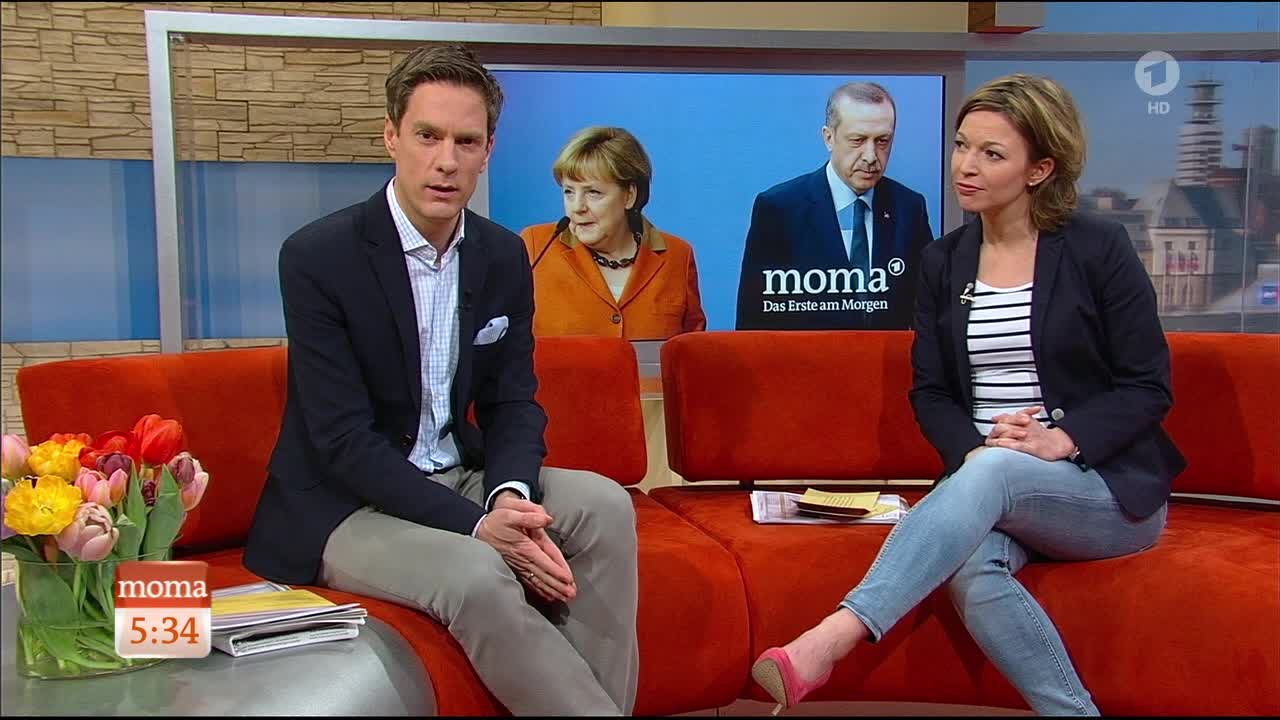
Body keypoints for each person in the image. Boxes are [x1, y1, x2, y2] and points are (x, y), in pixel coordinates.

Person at [750, 73, 1186, 716]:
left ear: (1039, 169)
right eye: (961, 146)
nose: (965, 166)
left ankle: (833, 637)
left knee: (995, 473)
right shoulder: (944, 260)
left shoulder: (1098, 249)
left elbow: (1148, 386)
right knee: (975, 567)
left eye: (991, 153)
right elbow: (931, 393)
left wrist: (1061, 440)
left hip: (1103, 489)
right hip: (986, 482)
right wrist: (977, 451)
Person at [243, 44, 639, 717]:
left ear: (487, 152)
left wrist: (508, 495)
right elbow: (340, 439)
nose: (447, 161)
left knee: (605, 506)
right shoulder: (318, 257)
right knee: (476, 570)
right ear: (391, 136)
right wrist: (481, 526)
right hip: (347, 505)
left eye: (466, 141)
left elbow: (512, 401)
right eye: (428, 136)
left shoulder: (501, 254)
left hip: (460, 473)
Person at [735, 81, 934, 331]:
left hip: (887, 356)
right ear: (829, 138)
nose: (871, 156)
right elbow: (754, 322)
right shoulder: (779, 209)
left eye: (882, 141)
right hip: (807, 355)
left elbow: (926, 310)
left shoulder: (909, 208)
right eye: (858, 140)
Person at [520, 126, 706, 340]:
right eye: (569, 192)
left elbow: (690, 349)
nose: (577, 207)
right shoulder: (535, 247)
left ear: (629, 195)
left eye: (593, 192)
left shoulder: (678, 256)